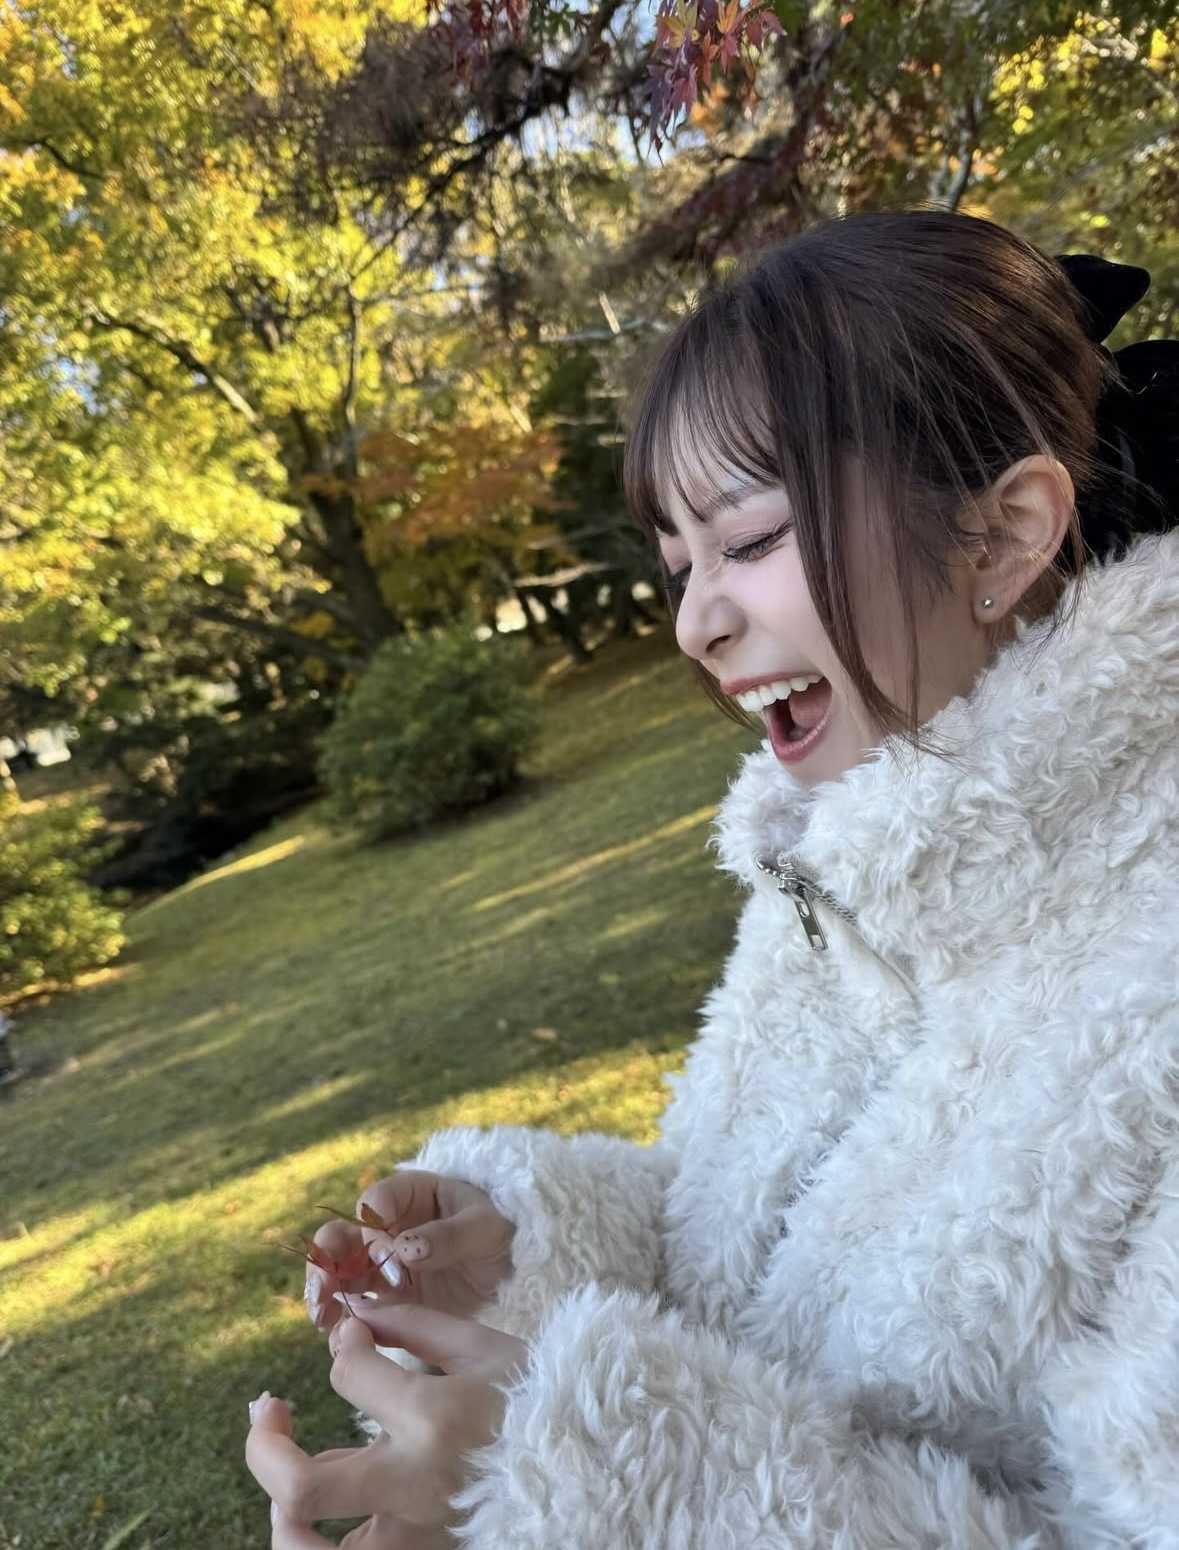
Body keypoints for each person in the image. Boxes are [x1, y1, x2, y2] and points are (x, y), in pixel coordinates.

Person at [245, 210, 1179, 1548]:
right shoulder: (840, 876)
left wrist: (581, 1480)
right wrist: (517, 1249)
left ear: (1002, 533)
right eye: (681, 566)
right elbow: (729, 1253)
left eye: (747, 542)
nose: (694, 622)